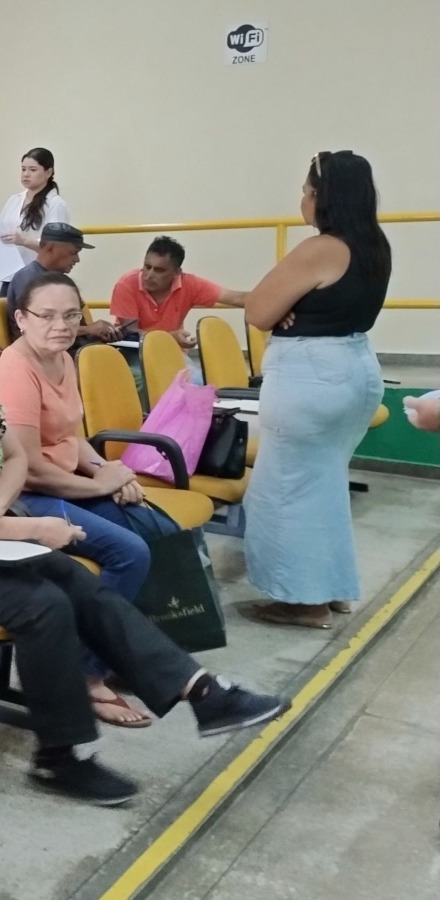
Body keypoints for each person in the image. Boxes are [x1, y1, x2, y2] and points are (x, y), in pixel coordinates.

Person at [0, 304, 288, 804]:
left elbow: (15, 459)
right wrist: (37, 528)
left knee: (74, 580)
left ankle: (203, 693)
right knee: (43, 606)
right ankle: (58, 759)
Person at [0, 271, 178, 726]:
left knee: (159, 527)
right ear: (21, 319)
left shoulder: (62, 359)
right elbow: (31, 469)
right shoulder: (14, 371)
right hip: (26, 497)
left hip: (68, 480)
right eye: (47, 316)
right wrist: (100, 485)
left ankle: (124, 648)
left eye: (72, 315)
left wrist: (107, 470)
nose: (62, 325)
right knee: (129, 552)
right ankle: (84, 674)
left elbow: (71, 437)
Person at [242, 151, 391, 629]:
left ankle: (303, 602)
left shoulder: (321, 248)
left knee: (285, 492)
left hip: (310, 378)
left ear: (324, 196)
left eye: (306, 191)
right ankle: (331, 587)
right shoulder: (374, 244)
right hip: (353, 370)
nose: (302, 199)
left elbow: (258, 312)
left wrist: (279, 304)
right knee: (323, 487)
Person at [109, 236, 251, 353]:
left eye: (159, 270)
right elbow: (131, 333)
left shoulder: (189, 283)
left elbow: (236, 298)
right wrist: (170, 337)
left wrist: (265, 303)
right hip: (135, 352)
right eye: (147, 267)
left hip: (172, 352)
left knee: (196, 378)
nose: (149, 275)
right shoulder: (126, 284)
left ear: (177, 273)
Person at [3, 223, 118, 343]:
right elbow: (40, 328)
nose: (77, 259)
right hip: (43, 351)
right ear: (51, 248)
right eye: (73, 252)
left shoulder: (61, 282)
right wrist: (88, 330)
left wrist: (102, 334)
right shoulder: (28, 280)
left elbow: (75, 326)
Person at [0, 147, 71, 286]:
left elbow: (55, 245)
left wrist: (24, 241)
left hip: (38, 276)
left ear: (48, 172)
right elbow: (5, 232)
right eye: (23, 169)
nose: (26, 174)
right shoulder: (14, 200)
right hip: (11, 274)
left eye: (33, 170)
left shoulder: (56, 204)